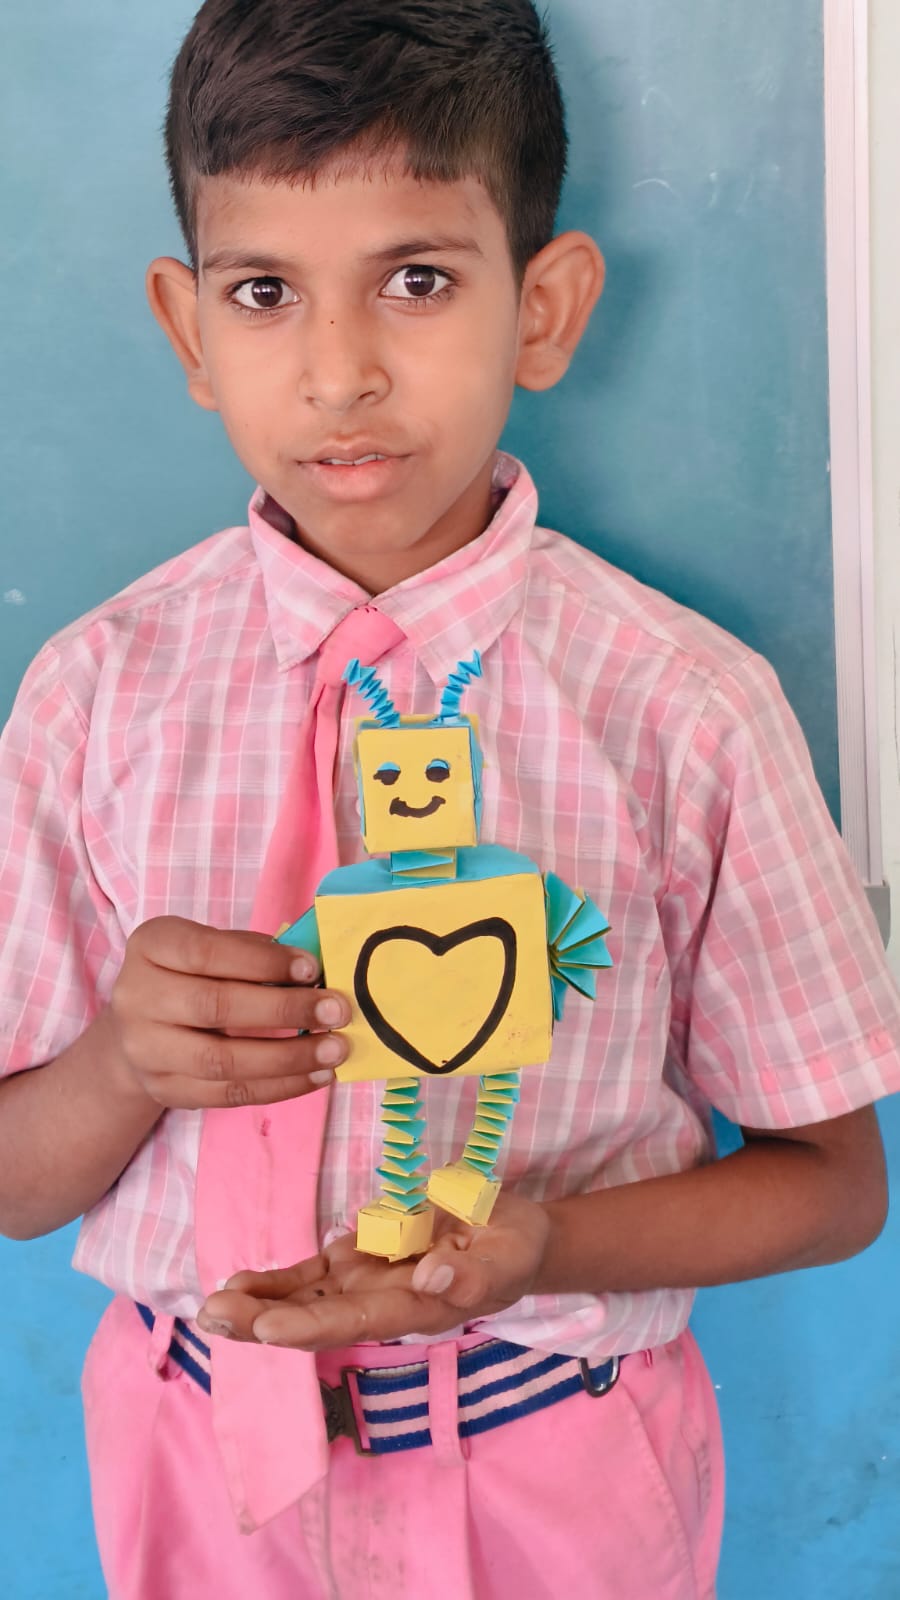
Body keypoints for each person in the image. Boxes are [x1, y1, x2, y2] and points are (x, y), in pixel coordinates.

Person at [0, 2, 898, 1596]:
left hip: (557, 1467)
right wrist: (125, 1059)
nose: (340, 372)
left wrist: (547, 1245)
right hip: (193, 1464)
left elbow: (836, 1186)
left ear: (542, 311)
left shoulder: (684, 709)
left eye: (416, 280)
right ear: (189, 330)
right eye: (264, 293)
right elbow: (19, 1187)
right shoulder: (90, 698)